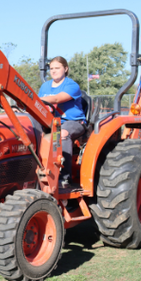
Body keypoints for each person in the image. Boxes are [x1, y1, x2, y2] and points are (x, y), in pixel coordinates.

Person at [38, 56, 86, 188]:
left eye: (57, 68)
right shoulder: (45, 86)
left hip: (72, 122)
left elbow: (57, 99)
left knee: (62, 134)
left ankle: (64, 178)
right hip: (50, 122)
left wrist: (33, 99)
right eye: (51, 68)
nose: (53, 71)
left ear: (65, 69)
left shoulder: (71, 85)